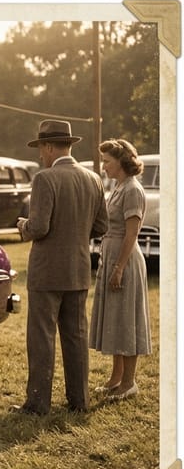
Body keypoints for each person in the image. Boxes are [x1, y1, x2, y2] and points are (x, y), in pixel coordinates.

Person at [13, 119, 108, 415]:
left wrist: (23, 226)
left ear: (50, 146)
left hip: (47, 272)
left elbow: (39, 227)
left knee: (42, 338)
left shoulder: (45, 179)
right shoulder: (93, 178)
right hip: (78, 269)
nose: (41, 154)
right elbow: (102, 225)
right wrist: (76, 235)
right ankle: (79, 401)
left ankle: (38, 403)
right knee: (75, 337)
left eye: (42, 147)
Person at [89, 138, 151, 401]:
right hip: (111, 254)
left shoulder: (132, 190)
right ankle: (115, 378)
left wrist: (119, 267)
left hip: (125, 259)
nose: (103, 166)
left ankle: (129, 382)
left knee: (127, 317)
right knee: (115, 316)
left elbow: (132, 233)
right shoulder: (118, 187)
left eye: (107, 161)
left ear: (121, 162)